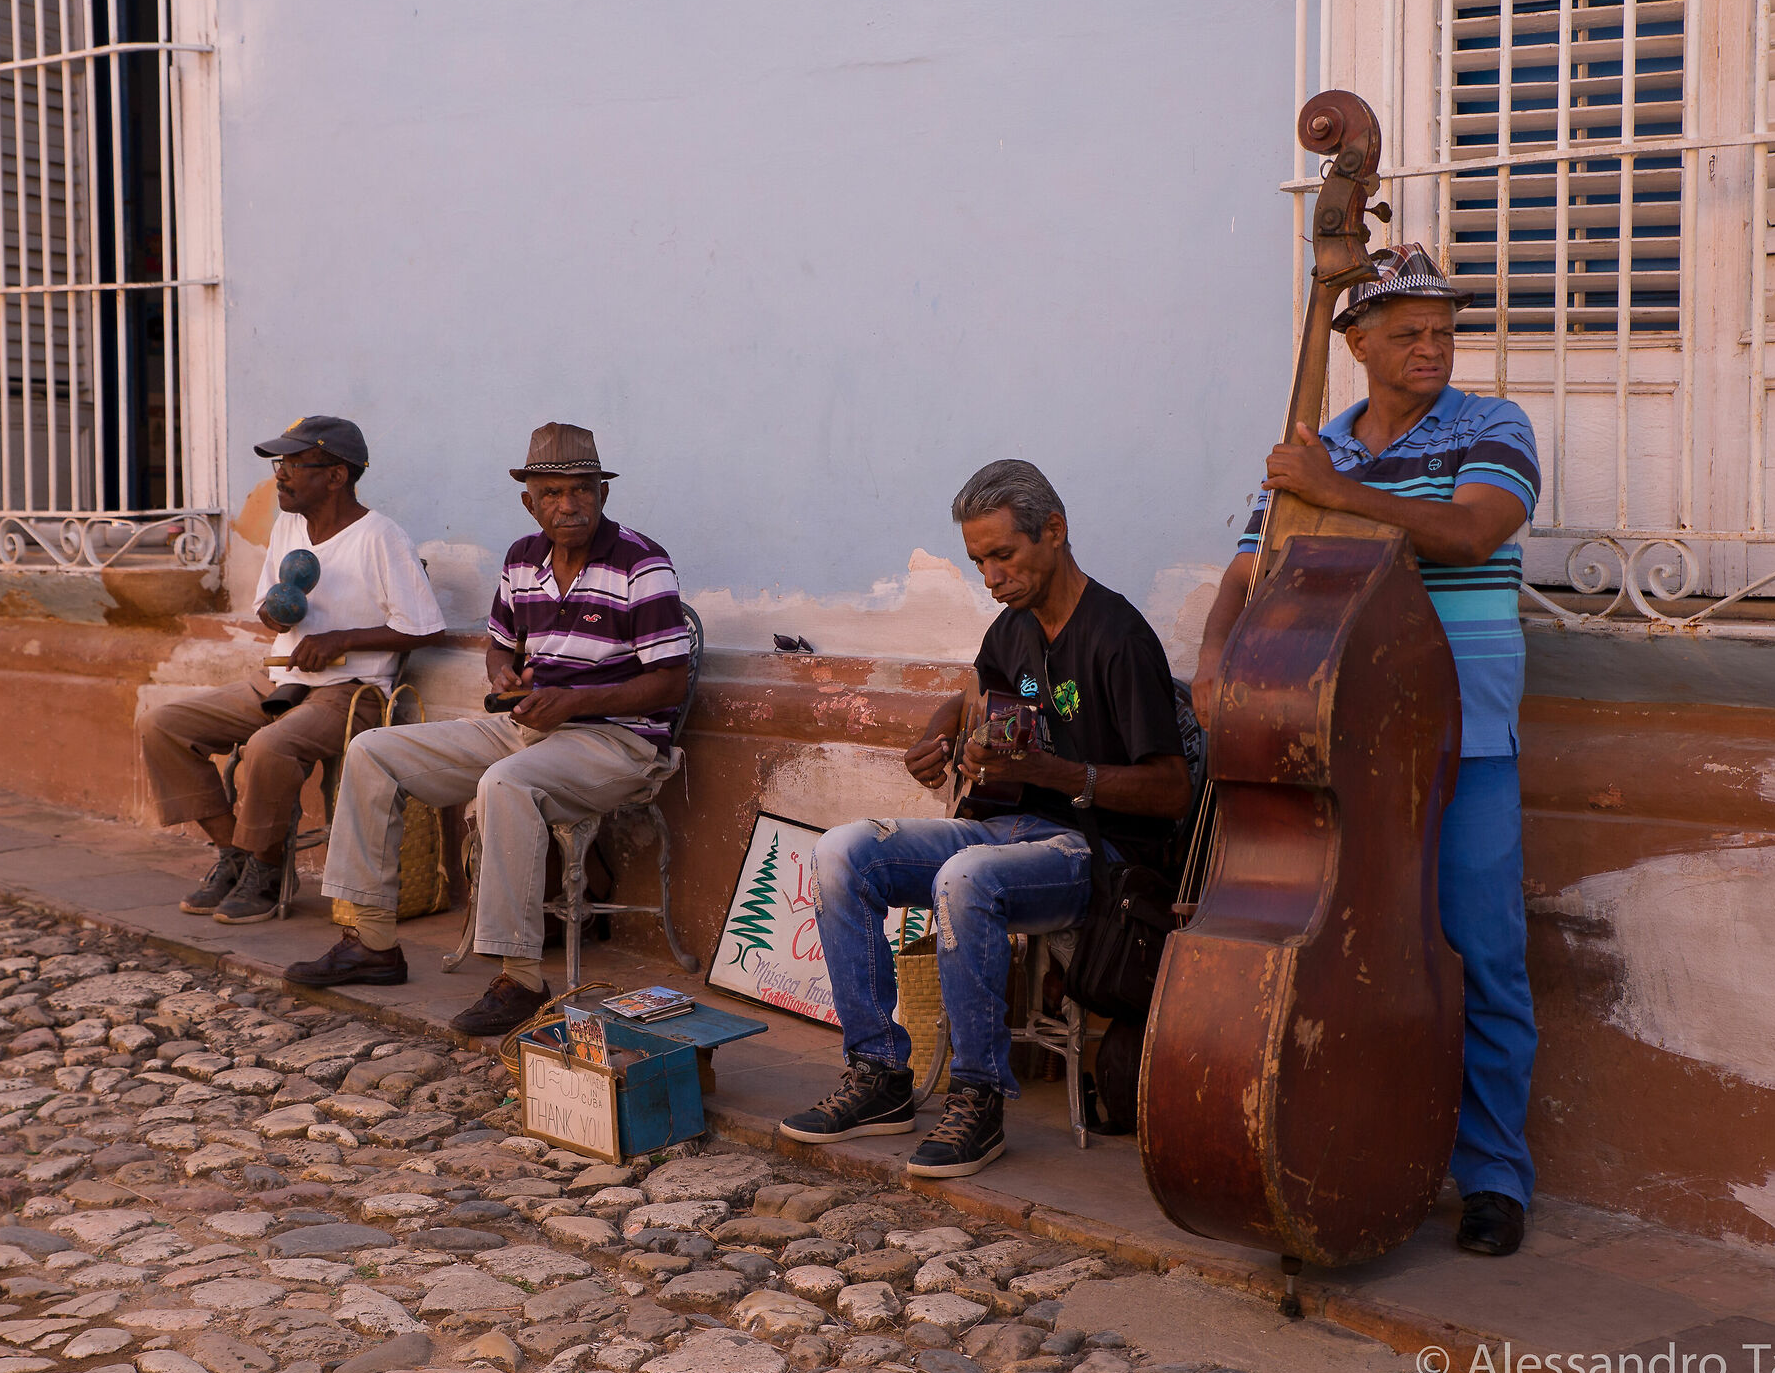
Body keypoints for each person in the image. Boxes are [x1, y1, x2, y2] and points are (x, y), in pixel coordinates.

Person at [1191, 244, 1542, 1258]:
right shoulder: (1320, 445)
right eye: (1407, 332)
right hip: (1335, 743)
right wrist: (1217, 657)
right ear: (1355, 344)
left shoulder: (1489, 426)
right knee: (1345, 958)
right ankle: (1356, 1151)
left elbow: (1470, 534)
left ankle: (1493, 1174)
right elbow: (1248, 567)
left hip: (1462, 735)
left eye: (1443, 329)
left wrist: (1337, 492)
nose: (1433, 346)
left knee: (1484, 954)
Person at [779, 461, 1188, 1180]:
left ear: (1053, 533)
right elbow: (974, 695)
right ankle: (879, 1075)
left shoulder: (1118, 637)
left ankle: (979, 1097)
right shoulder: (1015, 629)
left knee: (966, 877)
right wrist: (939, 736)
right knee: (846, 851)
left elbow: (1171, 791)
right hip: (1005, 830)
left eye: (1004, 555)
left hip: (1088, 853)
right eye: (979, 562)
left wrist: (1055, 775)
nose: (992, 576)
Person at [286, 423, 691, 1034]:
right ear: (528, 501)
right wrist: (506, 678)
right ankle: (370, 942)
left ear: (603, 495)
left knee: (505, 784)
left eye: (582, 490)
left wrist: (573, 705)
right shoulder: (522, 558)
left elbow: (669, 682)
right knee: (373, 750)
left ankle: (520, 979)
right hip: (531, 728)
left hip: (618, 741)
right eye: (551, 493)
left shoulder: (641, 563)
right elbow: (501, 648)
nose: (568, 504)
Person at [138, 416, 445, 925]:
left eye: (294, 465)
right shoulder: (288, 526)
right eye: (280, 464)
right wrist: (276, 613)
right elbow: (266, 608)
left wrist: (341, 639)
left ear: (336, 476)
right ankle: (235, 853)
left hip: (351, 692)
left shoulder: (380, 536)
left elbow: (425, 628)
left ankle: (268, 863)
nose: (279, 476)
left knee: (268, 748)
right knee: (163, 725)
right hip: (282, 682)